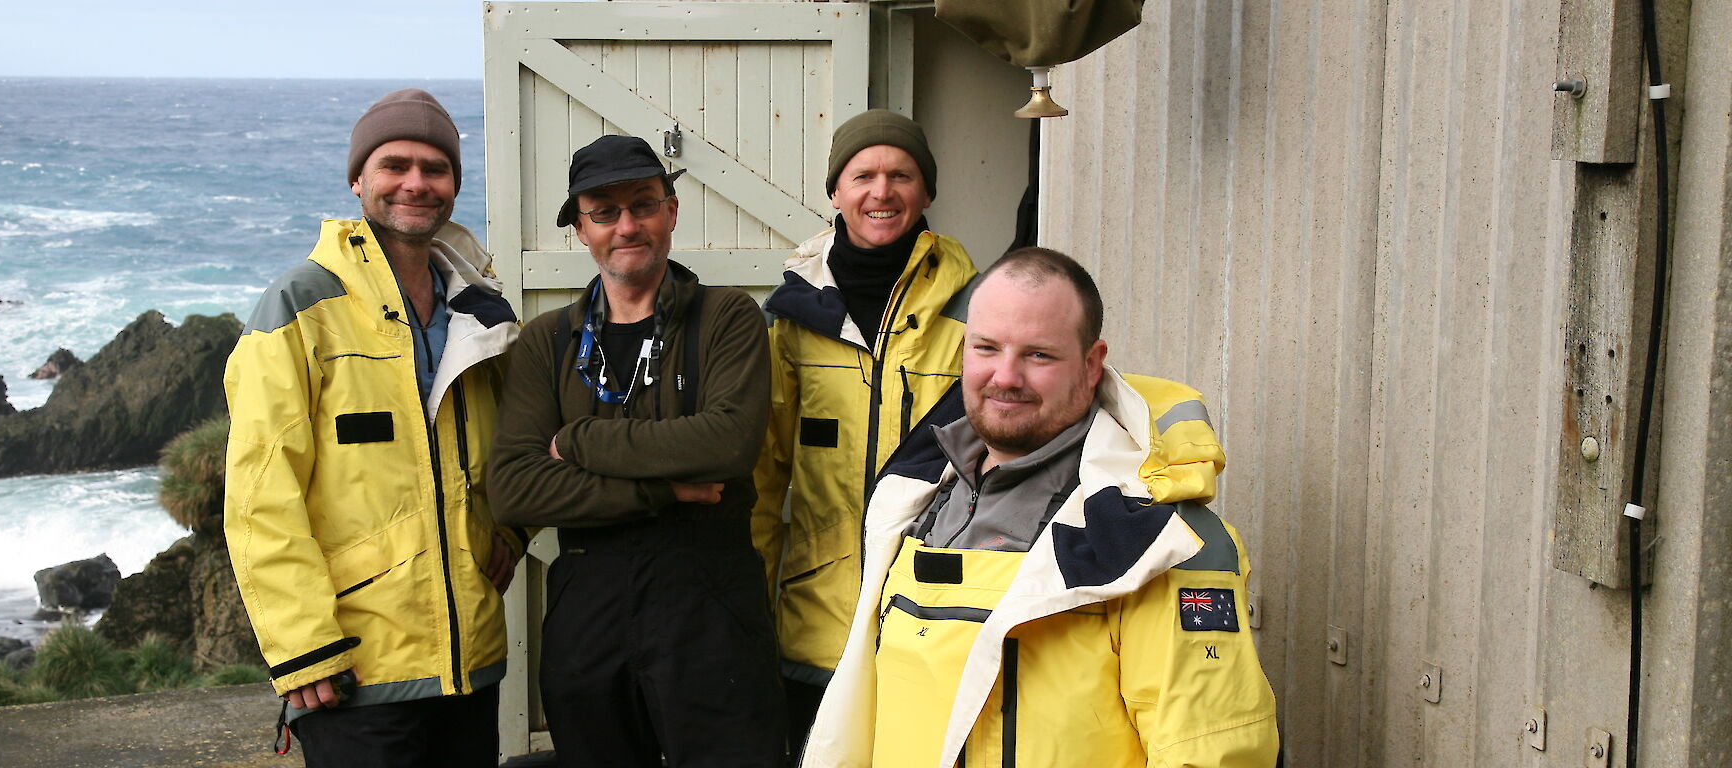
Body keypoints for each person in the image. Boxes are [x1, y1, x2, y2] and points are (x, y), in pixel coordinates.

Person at [802, 247, 1280, 767]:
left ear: (1092, 364)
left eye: (1038, 355)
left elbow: (1209, 753)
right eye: (986, 348)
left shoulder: (1158, 539)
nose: (1005, 376)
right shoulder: (910, 503)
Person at [223, 88, 526, 767]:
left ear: (453, 185)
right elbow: (258, 494)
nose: (416, 183)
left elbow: (517, 443)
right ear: (357, 179)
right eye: (395, 165)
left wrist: (508, 531)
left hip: (469, 661)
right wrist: (304, 649)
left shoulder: (480, 309)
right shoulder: (300, 304)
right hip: (352, 672)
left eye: (435, 168)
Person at [488, 134, 786, 767]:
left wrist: (575, 440)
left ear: (671, 212)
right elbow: (515, 486)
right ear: (580, 229)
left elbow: (726, 445)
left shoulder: (727, 318)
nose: (627, 226)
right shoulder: (548, 342)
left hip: (710, 600)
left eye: (643, 205)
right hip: (588, 604)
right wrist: (662, 487)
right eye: (604, 212)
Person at [751, 109, 977, 752]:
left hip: (930, 611)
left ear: (927, 192)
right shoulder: (793, 316)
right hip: (815, 619)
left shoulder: (975, 308)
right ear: (836, 193)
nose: (882, 192)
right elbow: (763, 477)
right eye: (863, 176)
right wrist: (751, 602)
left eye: (901, 174)